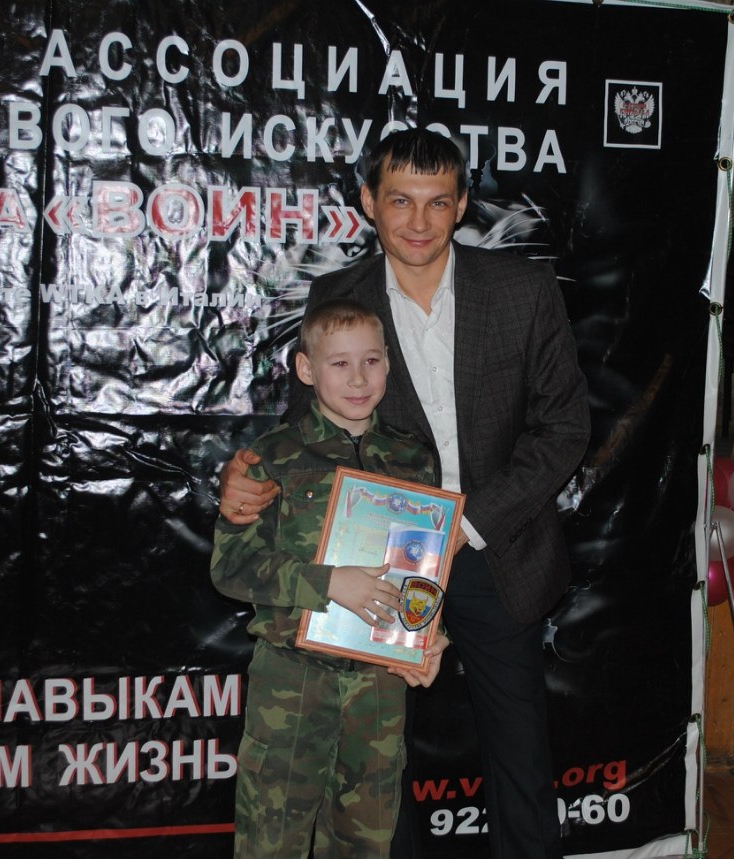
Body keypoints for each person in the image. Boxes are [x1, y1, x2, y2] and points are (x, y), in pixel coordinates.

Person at [219, 127, 590, 859]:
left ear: (461, 205)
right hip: (379, 559)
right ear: (369, 201)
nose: (418, 222)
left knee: (521, 759)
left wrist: (467, 524)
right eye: (399, 201)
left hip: (497, 549)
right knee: (379, 767)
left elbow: (564, 427)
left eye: (437, 202)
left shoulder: (521, 290)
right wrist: (246, 474)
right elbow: (309, 429)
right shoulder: (338, 296)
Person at [211, 298, 449, 859]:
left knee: (365, 841)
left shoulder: (413, 460)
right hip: (292, 678)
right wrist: (329, 583)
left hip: (379, 686)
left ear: (388, 363)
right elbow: (232, 568)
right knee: (272, 840)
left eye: (371, 360)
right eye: (339, 363)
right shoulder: (271, 457)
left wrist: (429, 637)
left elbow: (426, 572)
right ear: (306, 369)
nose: (358, 378)